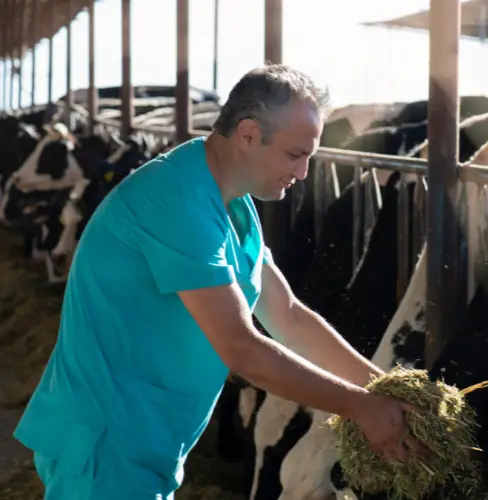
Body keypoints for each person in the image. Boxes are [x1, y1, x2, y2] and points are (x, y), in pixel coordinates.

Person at [14, 64, 426, 499]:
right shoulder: (177, 199)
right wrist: (361, 408)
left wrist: (386, 388)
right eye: (294, 155)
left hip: (145, 440)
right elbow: (241, 349)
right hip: (105, 444)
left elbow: (287, 316)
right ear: (248, 135)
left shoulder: (233, 205)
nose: (304, 172)